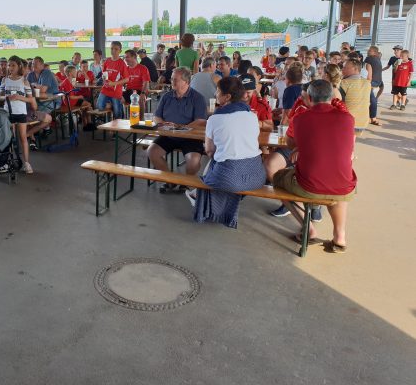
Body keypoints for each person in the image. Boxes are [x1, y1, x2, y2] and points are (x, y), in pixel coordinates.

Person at [273, 80, 356, 253]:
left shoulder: (301, 118)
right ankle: (340, 236)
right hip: (345, 187)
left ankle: (308, 227)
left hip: (308, 186)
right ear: (332, 97)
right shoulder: (348, 119)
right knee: (338, 183)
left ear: (309, 98)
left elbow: (290, 143)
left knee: (277, 177)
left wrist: (298, 147)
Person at [190, 76, 266, 228]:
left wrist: (222, 154)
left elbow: (209, 150)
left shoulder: (215, 119)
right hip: (257, 175)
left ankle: (205, 205)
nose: (215, 94)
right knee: (220, 164)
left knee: (215, 168)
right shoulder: (252, 116)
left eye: (218, 91)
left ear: (227, 97)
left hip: (229, 178)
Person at [147, 67, 207, 193]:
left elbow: (201, 121)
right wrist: (163, 124)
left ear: (186, 82)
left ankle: (186, 182)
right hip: (169, 135)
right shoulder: (167, 96)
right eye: (172, 79)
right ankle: (170, 180)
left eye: (175, 79)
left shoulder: (197, 98)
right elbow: (157, 116)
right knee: (152, 152)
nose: (172, 81)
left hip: (191, 137)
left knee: (193, 161)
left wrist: (181, 129)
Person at [0, 56, 35, 174]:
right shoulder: (4, 80)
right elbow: (0, 96)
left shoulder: (24, 81)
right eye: (9, 65)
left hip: (21, 112)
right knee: (9, 138)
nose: (10, 67)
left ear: (19, 66)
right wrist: (7, 97)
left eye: (13, 65)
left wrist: (19, 97)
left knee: (23, 137)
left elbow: (30, 99)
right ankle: (9, 162)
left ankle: (26, 163)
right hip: (7, 112)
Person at [97, 41, 129, 118]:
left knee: (117, 114)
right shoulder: (107, 61)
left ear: (120, 51)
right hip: (105, 89)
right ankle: (113, 105)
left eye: (116, 49)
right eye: (112, 48)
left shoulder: (122, 63)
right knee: (99, 106)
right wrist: (104, 80)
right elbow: (104, 73)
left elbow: (127, 79)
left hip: (116, 91)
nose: (113, 51)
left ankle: (117, 109)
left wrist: (113, 83)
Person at [340, 58, 371, 131]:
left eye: (345, 67)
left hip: (348, 122)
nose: (342, 69)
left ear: (355, 69)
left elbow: (338, 103)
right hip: (363, 122)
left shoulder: (344, 83)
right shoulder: (367, 83)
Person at [60, 66, 94, 131]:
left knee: (86, 107)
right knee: (88, 105)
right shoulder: (67, 83)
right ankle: (88, 124)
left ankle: (87, 124)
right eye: (74, 71)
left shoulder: (68, 81)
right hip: (70, 102)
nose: (76, 72)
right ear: (70, 73)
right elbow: (71, 97)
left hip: (68, 101)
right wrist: (80, 96)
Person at [123, 49, 150, 118]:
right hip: (129, 91)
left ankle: (140, 120)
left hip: (140, 90)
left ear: (134, 57)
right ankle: (121, 118)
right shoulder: (125, 69)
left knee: (140, 99)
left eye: (127, 57)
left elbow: (146, 82)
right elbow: (122, 81)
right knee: (117, 98)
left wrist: (143, 93)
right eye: (125, 57)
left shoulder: (143, 68)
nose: (125, 59)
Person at [363, 46, 383, 125]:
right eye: (368, 50)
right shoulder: (378, 59)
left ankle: (372, 118)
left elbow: (368, 72)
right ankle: (371, 117)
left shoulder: (369, 59)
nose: (368, 51)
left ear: (374, 52)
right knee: (371, 99)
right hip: (378, 81)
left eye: (370, 50)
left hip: (371, 81)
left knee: (372, 99)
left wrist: (368, 82)